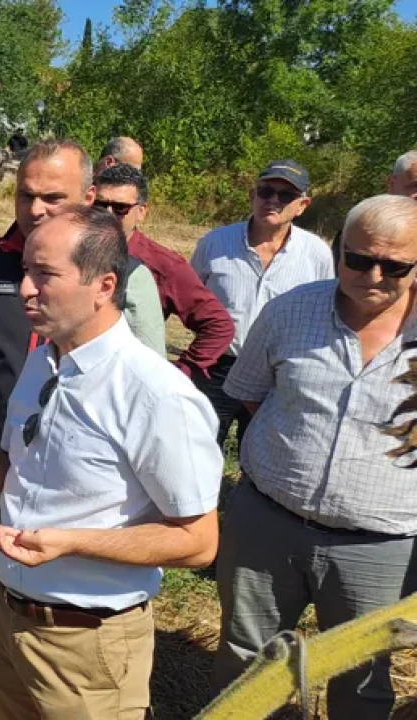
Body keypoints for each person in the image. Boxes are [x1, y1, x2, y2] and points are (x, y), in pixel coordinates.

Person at [0, 139, 166, 718]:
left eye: (52, 197)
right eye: (25, 195)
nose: (34, 209)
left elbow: (147, 386)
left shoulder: (124, 276)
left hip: (77, 496)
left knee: (54, 619)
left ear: (87, 197)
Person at [0, 206, 222, 719]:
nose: (25, 288)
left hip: (86, 647)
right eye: (26, 270)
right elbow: (25, 457)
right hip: (4, 614)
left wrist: (69, 541)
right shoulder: (42, 359)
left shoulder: (155, 396)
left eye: (45, 274)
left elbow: (199, 541)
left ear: (104, 285)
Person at [211, 195, 417, 718]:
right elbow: (252, 392)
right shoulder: (289, 310)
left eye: (395, 266)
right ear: (336, 248)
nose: (373, 275)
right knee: (248, 657)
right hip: (266, 524)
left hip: (380, 546)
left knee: (363, 679)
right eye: (358, 258)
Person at [190, 159, 333, 448]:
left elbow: (323, 312)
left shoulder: (316, 254)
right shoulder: (216, 243)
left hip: (276, 374)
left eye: (286, 196)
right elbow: (190, 298)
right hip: (217, 366)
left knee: (263, 449)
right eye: (266, 191)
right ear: (252, 195)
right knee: (199, 446)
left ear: (303, 205)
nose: (273, 201)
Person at [95, 163, 234, 377]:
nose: (108, 214)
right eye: (99, 205)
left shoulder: (162, 265)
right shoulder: (72, 250)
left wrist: (180, 373)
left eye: (120, 208)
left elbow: (219, 325)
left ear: (141, 212)